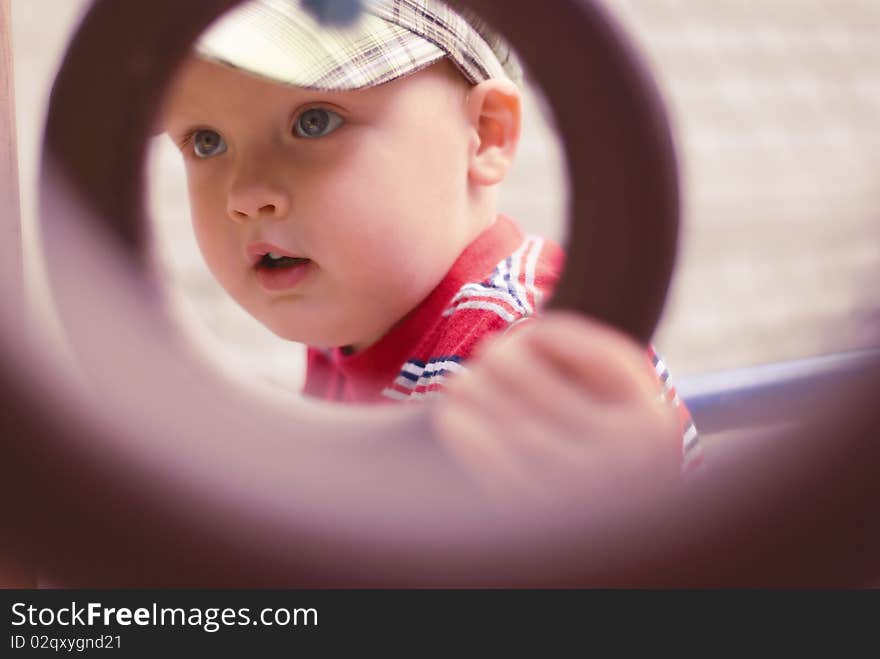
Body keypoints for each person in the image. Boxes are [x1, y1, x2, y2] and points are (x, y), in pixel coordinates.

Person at [160, 0, 702, 500]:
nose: (246, 195)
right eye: (207, 141)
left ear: (485, 135)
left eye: (314, 121)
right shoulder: (345, 321)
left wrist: (621, 494)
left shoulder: (515, 350)